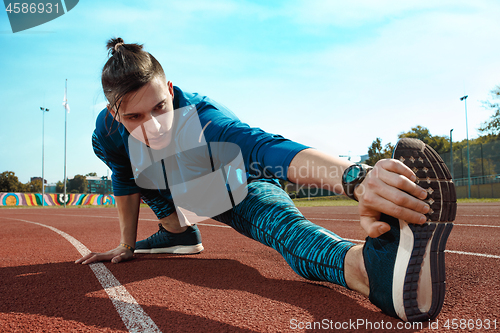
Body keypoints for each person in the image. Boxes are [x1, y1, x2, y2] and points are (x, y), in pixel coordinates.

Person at [76, 38, 456, 322]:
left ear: (171, 91)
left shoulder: (205, 120)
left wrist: (356, 179)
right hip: (171, 188)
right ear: (113, 112)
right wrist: (125, 243)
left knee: (278, 223)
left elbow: (267, 149)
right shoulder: (107, 133)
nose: (154, 125)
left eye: (160, 107)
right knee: (135, 159)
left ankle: (365, 269)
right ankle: (177, 232)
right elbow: (124, 178)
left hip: (226, 178)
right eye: (134, 117)